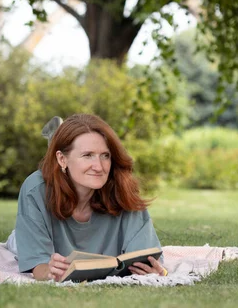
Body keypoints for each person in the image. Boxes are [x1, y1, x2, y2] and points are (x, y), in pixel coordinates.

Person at [8, 113, 166, 281]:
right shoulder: (35, 189)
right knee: (18, 243)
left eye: (105, 155)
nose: (98, 167)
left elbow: (149, 259)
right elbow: (38, 265)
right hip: (32, 234)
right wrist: (48, 270)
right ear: (62, 159)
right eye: (87, 155)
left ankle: (58, 135)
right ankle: (54, 135)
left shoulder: (121, 188)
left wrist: (157, 272)